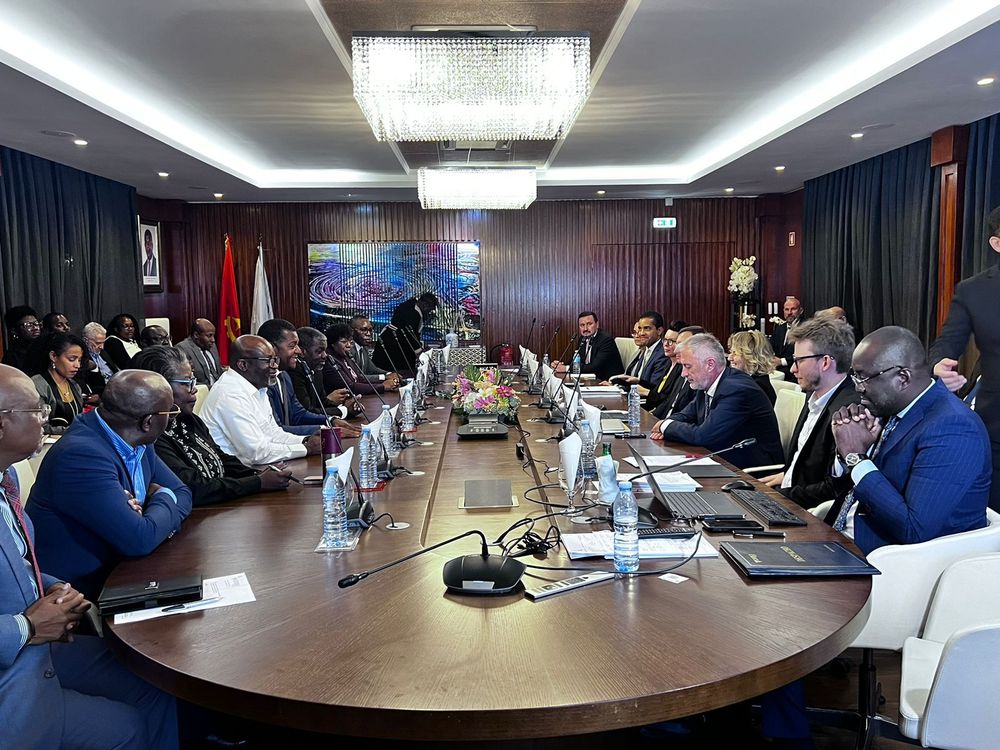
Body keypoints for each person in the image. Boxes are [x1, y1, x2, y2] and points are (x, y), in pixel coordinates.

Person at [0, 364, 179, 750]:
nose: (46, 419)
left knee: (157, 682)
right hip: (15, 670)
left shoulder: (6, 479)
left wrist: (53, 588)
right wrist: (26, 626)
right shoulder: (78, 453)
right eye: (37, 411)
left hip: (42, 643)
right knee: (128, 726)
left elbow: (18, 563)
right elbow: (140, 536)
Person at [28, 370, 193, 601]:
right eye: (170, 412)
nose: (172, 418)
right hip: (82, 595)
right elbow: (140, 540)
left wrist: (150, 515)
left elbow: (183, 493)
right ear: (148, 422)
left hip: (129, 570)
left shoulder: (138, 439)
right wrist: (163, 496)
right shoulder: (81, 455)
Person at [827, 326, 991, 552]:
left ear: (902, 378)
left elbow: (914, 529)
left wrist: (856, 458)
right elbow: (850, 490)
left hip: (885, 559)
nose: (858, 388)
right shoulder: (892, 408)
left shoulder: (954, 427)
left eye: (864, 378)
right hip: (839, 538)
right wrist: (848, 451)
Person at [131, 346, 292, 506]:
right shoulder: (153, 436)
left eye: (193, 381)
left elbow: (222, 459)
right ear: (158, 388)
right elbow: (194, 487)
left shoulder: (189, 419)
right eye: (186, 383)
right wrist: (258, 482)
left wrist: (257, 474)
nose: (194, 389)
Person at [930, 204, 1000, 511]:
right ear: (996, 244)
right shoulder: (973, 291)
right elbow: (947, 342)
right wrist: (938, 365)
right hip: (996, 425)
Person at [760, 316, 861, 509]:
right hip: (789, 494)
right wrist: (787, 475)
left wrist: (775, 496)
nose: (792, 369)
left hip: (806, 512)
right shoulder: (814, 395)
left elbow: (834, 489)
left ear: (825, 362)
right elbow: (806, 463)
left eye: (798, 361)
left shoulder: (848, 411)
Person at [650, 333, 783, 469]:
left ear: (710, 365)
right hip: (720, 459)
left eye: (688, 366)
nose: (683, 373)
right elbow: (685, 415)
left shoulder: (737, 389)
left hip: (749, 470)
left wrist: (665, 426)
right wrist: (667, 424)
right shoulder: (706, 383)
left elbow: (704, 436)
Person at [199, 335, 321, 466]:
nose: (275, 366)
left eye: (275, 360)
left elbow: (273, 434)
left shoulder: (258, 388)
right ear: (243, 365)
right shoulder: (229, 394)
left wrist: (306, 441)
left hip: (256, 467)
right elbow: (256, 452)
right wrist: (306, 448)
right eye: (267, 361)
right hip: (235, 472)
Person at [258, 319, 359, 438]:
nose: (299, 351)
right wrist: (325, 430)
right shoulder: (262, 383)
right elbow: (276, 430)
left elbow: (299, 414)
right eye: (292, 346)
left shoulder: (284, 377)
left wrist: (331, 421)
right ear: (270, 348)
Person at [27, 332, 86, 434]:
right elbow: (40, 426)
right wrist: (73, 430)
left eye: (79, 360)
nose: (77, 365)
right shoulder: (38, 384)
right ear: (53, 356)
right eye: (72, 359)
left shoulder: (75, 386)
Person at [291, 326, 355, 417]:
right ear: (302, 352)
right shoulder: (294, 372)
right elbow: (307, 411)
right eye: (319, 351)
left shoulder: (317, 369)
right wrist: (344, 410)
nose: (325, 355)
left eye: (325, 350)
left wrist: (347, 407)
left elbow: (322, 402)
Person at [373, 292, 438, 373]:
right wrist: (419, 350)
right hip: (394, 345)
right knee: (398, 372)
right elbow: (410, 335)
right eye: (430, 308)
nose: (429, 312)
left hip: (392, 340)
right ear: (425, 305)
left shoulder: (410, 305)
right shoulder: (413, 313)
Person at [553, 311, 624, 382]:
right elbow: (575, 359)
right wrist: (560, 364)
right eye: (582, 325)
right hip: (591, 379)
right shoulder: (583, 338)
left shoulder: (605, 340)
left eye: (589, 324)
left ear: (597, 324)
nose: (585, 329)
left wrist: (566, 368)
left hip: (608, 381)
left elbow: (594, 367)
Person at [651, 325, 705, 419]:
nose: (676, 349)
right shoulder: (680, 369)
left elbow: (690, 416)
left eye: (682, 345)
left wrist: (665, 425)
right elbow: (669, 402)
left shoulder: (701, 378)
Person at [608, 311, 669, 393]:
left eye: (647, 328)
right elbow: (634, 380)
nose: (641, 333)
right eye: (640, 328)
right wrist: (615, 387)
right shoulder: (645, 349)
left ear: (659, 331)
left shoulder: (663, 354)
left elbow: (653, 388)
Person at [325, 322, 392, 396]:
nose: (349, 345)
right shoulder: (330, 361)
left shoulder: (345, 356)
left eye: (350, 341)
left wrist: (386, 382)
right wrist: (382, 387)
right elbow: (351, 387)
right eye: (344, 342)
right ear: (332, 343)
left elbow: (359, 378)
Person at [642, 320, 686, 412]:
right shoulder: (668, 363)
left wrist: (646, 392)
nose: (666, 344)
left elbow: (669, 400)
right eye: (665, 340)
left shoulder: (683, 368)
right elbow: (658, 389)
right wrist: (638, 381)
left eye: (671, 341)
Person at [726, 330, 777, 405]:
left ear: (750, 356)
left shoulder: (755, 386)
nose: (729, 358)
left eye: (735, 353)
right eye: (731, 352)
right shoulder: (749, 381)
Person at [350, 314, 401, 389]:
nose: (368, 334)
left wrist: (390, 374)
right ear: (352, 332)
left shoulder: (363, 348)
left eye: (370, 330)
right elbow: (357, 377)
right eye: (363, 330)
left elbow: (372, 369)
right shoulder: (349, 349)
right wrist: (384, 377)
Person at [176, 318, 223, 387]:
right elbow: (187, 380)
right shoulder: (182, 349)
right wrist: (211, 388)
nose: (213, 340)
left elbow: (219, 371)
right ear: (196, 335)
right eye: (209, 336)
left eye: (213, 335)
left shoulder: (211, 345)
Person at [80, 321, 119, 396]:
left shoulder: (103, 352)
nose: (102, 347)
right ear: (86, 340)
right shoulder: (82, 357)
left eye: (103, 342)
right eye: (98, 343)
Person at [770, 296, 804, 380]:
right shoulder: (779, 328)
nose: (789, 313)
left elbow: (804, 353)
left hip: (796, 373)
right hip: (777, 371)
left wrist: (781, 361)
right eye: (786, 309)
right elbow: (770, 347)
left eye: (793, 309)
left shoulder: (806, 328)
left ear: (801, 311)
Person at [2, 305, 40, 372]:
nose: (35, 328)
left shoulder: (45, 346)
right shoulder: (12, 357)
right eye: (28, 325)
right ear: (14, 331)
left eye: (36, 323)